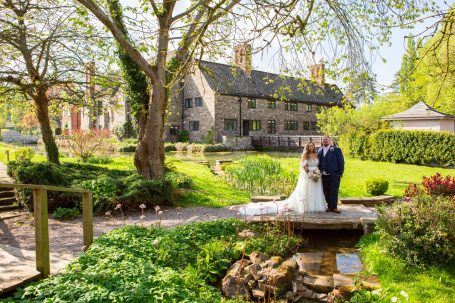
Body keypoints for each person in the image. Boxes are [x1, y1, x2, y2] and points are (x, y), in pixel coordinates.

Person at [238, 142, 325, 216]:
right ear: (307, 147)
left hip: (316, 174)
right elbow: (304, 166)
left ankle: (316, 206)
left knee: (315, 190)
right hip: (308, 175)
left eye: (312, 146)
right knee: (308, 190)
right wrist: (310, 174)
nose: (311, 147)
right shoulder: (305, 155)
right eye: (309, 146)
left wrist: (316, 173)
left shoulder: (316, 154)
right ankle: (308, 207)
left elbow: (318, 164)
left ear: (314, 146)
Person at [317, 135, 344, 213]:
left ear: (330, 140)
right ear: (322, 141)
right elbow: (318, 162)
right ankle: (329, 206)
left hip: (334, 175)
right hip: (324, 175)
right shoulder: (320, 150)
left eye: (326, 139)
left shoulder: (336, 150)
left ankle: (334, 207)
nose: (325, 140)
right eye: (324, 139)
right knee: (326, 191)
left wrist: (339, 173)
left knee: (334, 191)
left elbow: (341, 162)